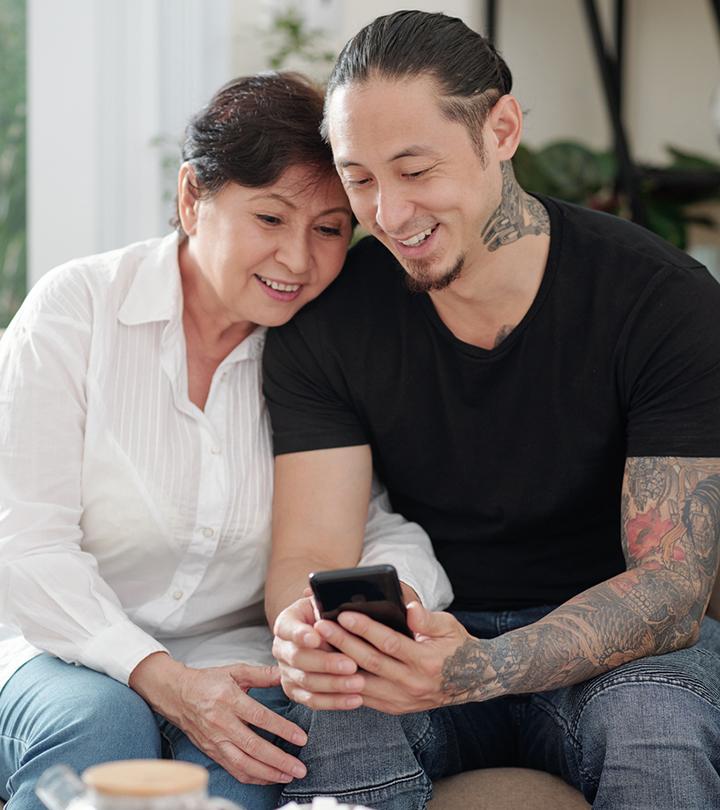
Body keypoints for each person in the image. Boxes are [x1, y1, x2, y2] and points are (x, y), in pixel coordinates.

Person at [263, 11, 720, 810]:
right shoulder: (329, 323)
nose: (390, 214)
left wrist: (482, 666)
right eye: (360, 179)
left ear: (500, 128)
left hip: (616, 655)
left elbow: (674, 588)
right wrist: (308, 643)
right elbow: (308, 558)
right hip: (425, 628)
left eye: (415, 170)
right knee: (328, 713)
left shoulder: (659, 300)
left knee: (657, 718)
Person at [0, 71, 452, 810]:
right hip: (50, 649)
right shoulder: (76, 310)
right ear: (191, 198)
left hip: (235, 670)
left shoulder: (321, 353)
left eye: (330, 228)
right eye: (270, 218)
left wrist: (385, 600)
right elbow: (26, 546)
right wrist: (161, 680)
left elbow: (379, 526)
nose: (298, 260)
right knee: (101, 723)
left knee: (248, 771)